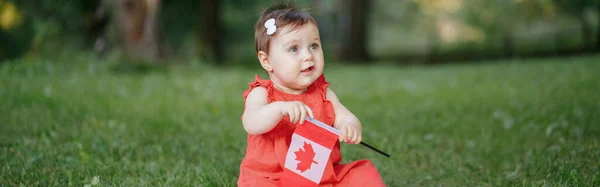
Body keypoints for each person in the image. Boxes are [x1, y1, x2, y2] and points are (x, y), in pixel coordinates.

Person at [238, 2, 386, 187]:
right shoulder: (262, 94)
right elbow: (251, 122)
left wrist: (349, 125)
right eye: (294, 49)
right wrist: (280, 108)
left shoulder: (323, 93)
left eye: (314, 46)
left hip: (317, 176)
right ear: (267, 61)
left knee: (362, 176)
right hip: (271, 177)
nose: (308, 55)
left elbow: (344, 116)